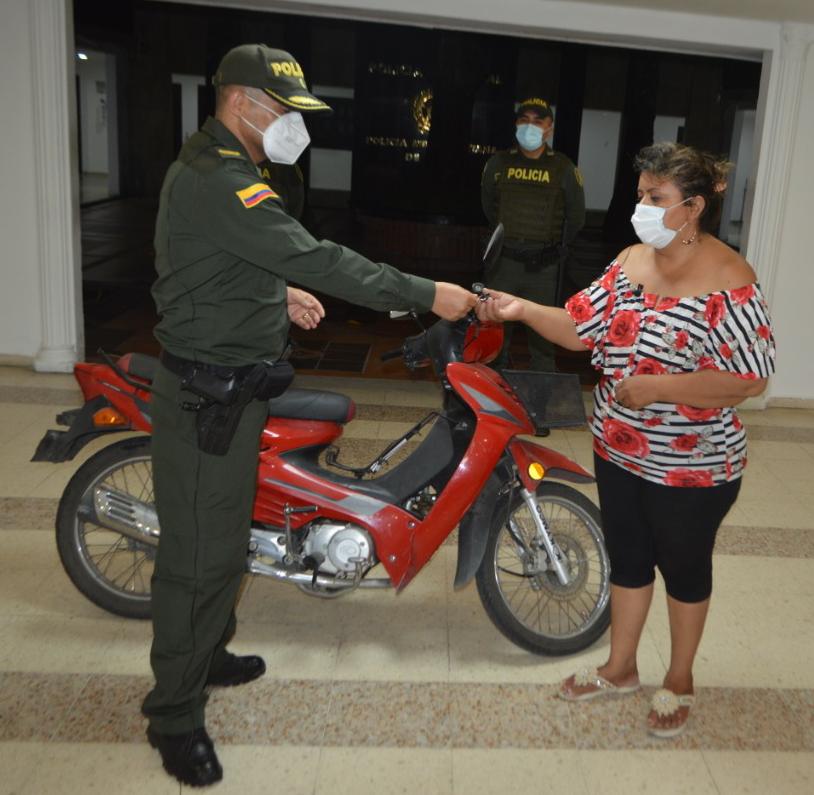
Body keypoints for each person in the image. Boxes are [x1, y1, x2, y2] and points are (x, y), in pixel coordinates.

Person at [143, 43, 477, 787]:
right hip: (205, 401)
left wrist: (275, 293)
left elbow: (216, 259)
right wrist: (427, 293)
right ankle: (173, 714)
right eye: (285, 110)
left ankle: (208, 654)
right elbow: (320, 257)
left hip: (235, 391)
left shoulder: (225, 167)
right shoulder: (221, 179)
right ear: (242, 104)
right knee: (198, 561)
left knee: (225, 543)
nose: (295, 123)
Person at [477, 141, 775, 739]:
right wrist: (523, 309)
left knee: (684, 569)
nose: (641, 207)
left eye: (655, 197)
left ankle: (680, 680)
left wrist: (661, 387)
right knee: (630, 558)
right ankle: (620, 668)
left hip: (693, 467)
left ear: (692, 207)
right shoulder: (632, 261)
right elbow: (579, 328)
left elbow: (751, 379)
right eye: (640, 194)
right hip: (617, 448)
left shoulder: (730, 280)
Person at [480, 96, 585, 372]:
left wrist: (550, 249)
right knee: (495, 331)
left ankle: (543, 391)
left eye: (538, 121)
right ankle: (491, 387)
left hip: (544, 267)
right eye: (524, 120)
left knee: (544, 338)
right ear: (516, 124)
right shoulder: (498, 163)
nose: (530, 126)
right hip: (504, 263)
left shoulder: (563, 168)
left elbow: (576, 217)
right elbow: (489, 208)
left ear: (549, 128)